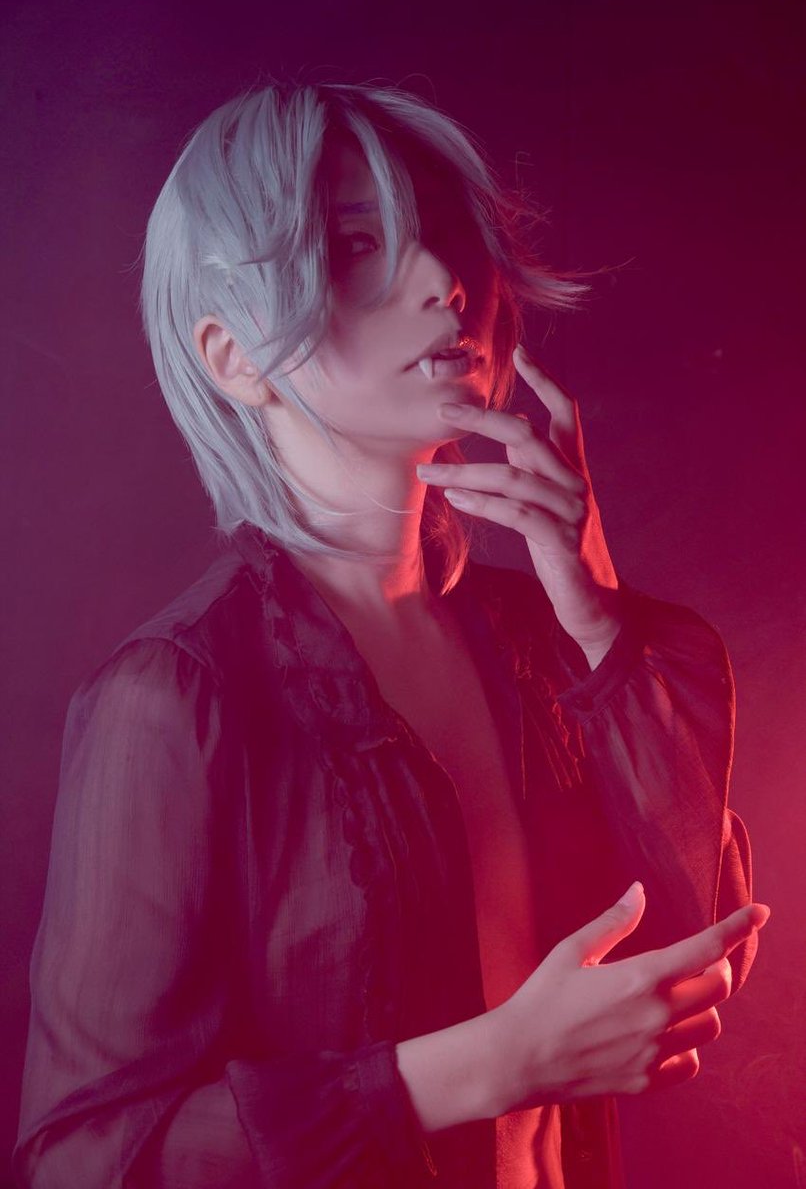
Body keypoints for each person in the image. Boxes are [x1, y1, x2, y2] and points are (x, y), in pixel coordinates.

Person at [13, 80, 767, 1189]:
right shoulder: (177, 697)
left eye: (441, 236)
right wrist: (481, 1069)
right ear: (234, 356)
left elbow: (701, 956)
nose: (441, 281)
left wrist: (598, 613)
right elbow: (81, 1160)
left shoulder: (537, 644)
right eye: (356, 244)